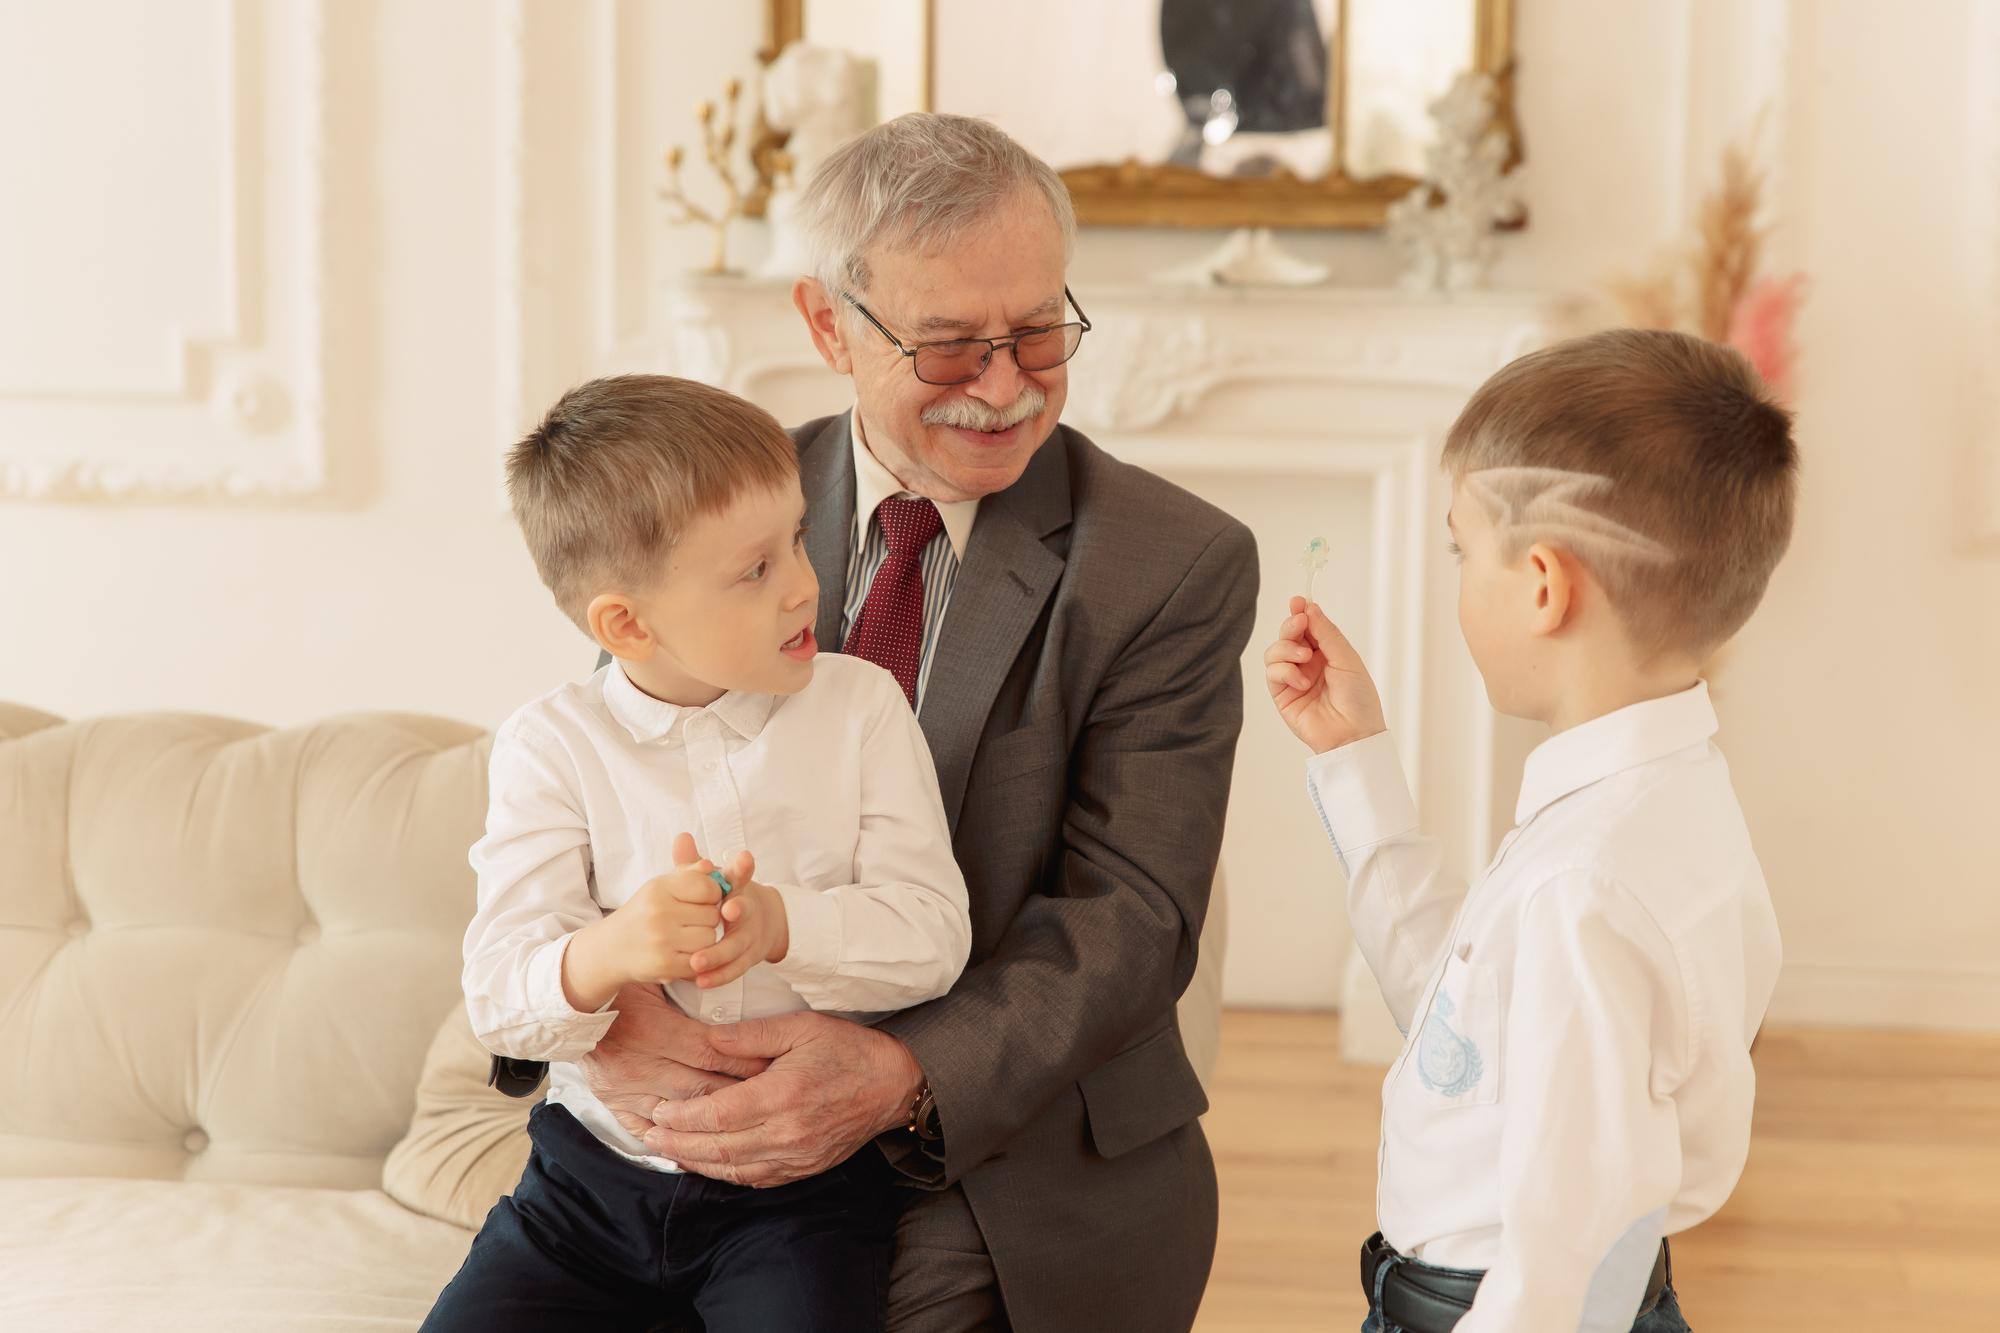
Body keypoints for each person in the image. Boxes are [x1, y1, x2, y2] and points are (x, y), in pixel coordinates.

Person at [540, 113, 1260, 1331]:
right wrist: (610, 1020)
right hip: (700, 1118)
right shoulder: (700, 510)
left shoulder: (1171, 564)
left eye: (1038, 330)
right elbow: (589, 794)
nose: (1005, 385)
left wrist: (895, 1073)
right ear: (828, 324)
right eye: (948, 347)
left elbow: (1132, 916)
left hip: (999, 1134)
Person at [1265, 328, 1795, 1332]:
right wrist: (1355, 761)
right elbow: (1459, 1031)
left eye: (1463, 551)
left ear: (1543, 586)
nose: (1457, 577)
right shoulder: (1650, 805)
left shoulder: (1585, 885)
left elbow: (1571, 1264)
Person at [428, 374, 973, 1331]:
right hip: (583, 1193)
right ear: (626, 625)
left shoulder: (862, 710)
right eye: (754, 569)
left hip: (799, 1200)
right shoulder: (551, 745)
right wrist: (613, 949)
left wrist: (780, 927)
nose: (806, 582)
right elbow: (499, 993)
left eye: (799, 538)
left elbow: (934, 935)